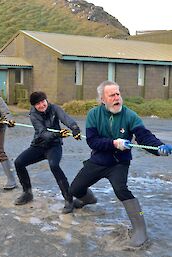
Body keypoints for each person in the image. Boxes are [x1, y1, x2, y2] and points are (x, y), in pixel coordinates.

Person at [69, 80, 172, 247]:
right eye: (112, 95)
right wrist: (114, 143)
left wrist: (158, 147)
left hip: (119, 163)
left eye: (118, 94)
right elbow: (93, 141)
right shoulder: (93, 115)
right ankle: (88, 200)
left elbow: (145, 137)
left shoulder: (130, 116)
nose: (117, 98)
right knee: (74, 189)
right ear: (102, 99)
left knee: (121, 190)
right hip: (98, 160)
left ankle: (140, 230)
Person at [14, 91, 81, 214]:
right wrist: (58, 133)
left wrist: (74, 128)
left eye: (42, 102)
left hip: (54, 146)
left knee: (54, 165)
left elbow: (65, 118)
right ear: (34, 106)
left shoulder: (54, 108)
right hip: (39, 145)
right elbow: (42, 133)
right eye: (38, 104)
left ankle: (68, 199)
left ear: (46, 100)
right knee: (18, 162)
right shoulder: (33, 114)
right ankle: (27, 193)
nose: (41, 105)